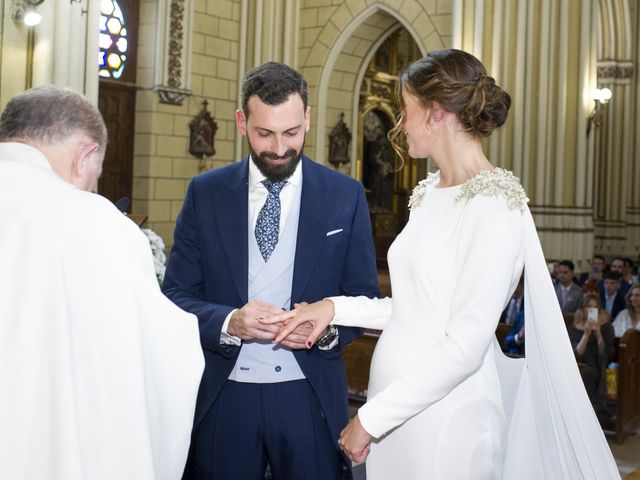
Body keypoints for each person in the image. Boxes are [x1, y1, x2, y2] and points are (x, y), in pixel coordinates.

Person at [267, 49, 619, 479]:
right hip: (399, 417)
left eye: (406, 110)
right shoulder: (430, 191)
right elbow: (418, 309)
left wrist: (372, 418)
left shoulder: (495, 205)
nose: (399, 124)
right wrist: (332, 309)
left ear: (436, 113)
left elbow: (465, 346)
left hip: (448, 420)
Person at [162, 62, 378, 480]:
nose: (280, 148)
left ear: (308, 119)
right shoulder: (205, 194)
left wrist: (326, 328)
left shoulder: (344, 196)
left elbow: (362, 295)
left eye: (292, 132)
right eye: (265, 133)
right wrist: (230, 321)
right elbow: (175, 296)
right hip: (225, 396)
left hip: (309, 398)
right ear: (242, 122)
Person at [0, 86, 204, 479]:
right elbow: (147, 365)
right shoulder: (94, 221)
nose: (92, 189)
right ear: (85, 156)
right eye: (94, 179)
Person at [568, 295, 614, 405]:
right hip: (579, 366)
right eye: (589, 307)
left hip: (599, 367)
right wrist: (586, 334)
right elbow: (575, 356)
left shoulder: (607, 328)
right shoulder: (574, 329)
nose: (591, 310)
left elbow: (607, 356)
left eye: (595, 307)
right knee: (581, 372)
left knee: (588, 373)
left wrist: (598, 335)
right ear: (583, 310)